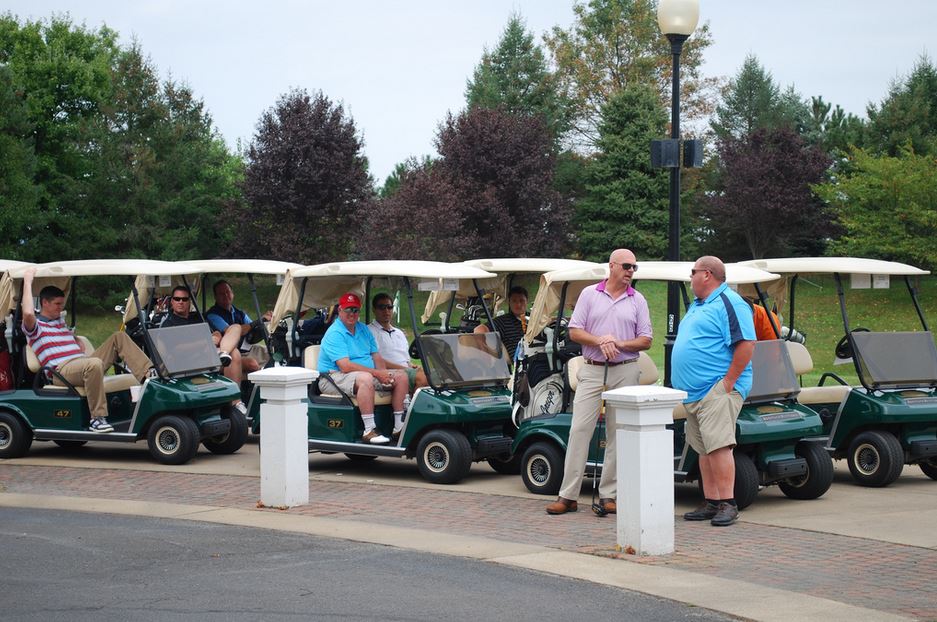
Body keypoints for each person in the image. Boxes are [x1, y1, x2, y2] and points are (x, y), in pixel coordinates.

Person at [546, 250, 653, 516]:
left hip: (626, 369)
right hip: (593, 370)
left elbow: (646, 339)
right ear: (612, 266)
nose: (630, 271)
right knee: (579, 430)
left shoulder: (637, 299)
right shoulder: (589, 294)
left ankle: (608, 495)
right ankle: (568, 495)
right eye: (627, 266)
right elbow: (575, 330)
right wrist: (601, 341)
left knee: (617, 434)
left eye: (634, 267)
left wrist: (619, 344)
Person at [672, 256, 756, 527]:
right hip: (695, 393)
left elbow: (746, 344)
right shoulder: (699, 305)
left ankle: (728, 503)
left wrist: (728, 383)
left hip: (717, 388)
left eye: (693, 272)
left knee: (719, 446)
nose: (691, 276)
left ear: (707, 275)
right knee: (705, 448)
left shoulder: (729, 302)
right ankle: (711, 501)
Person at [21, 267, 156, 433]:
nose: (60, 308)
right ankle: (97, 419)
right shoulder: (35, 327)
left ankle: (151, 378)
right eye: (57, 304)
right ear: (44, 303)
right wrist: (28, 281)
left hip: (82, 364)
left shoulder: (59, 322)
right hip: (61, 372)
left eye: (62, 304)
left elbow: (72, 341)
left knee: (118, 337)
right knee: (93, 363)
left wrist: (75, 339)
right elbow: (27, 313)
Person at [317, 293, 408, 444]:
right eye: (348, 310)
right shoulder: (335, 333)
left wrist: (384, 374)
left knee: (401, 376)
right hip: (333, 377)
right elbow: (345, 366)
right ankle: (369, 430)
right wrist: (377, 373)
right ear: (340, 310)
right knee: (365, 379)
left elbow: (376, 356)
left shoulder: (362, 329)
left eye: (355, 310)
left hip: (361, 375)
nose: (352, 314)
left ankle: (398, 427)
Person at [161, 285, 248, 414]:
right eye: (177, 299)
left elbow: (217, 333)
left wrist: (215, 339)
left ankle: (224, 353)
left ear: (189, 301)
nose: (180, 302)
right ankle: (235, 402)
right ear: (172, 301)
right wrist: (205, 343)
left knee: (235, 328)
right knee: (235, 354)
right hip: (187, 363)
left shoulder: (197, 317)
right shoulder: (169, 323)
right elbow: (176, 350)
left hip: (207, 356)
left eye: (184, 299)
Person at [206, 279, 270, 372]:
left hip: (246, 348)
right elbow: (236, 331)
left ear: (232, 293)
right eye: (221, 294)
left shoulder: (239, 313)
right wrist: (259, 320)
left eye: (227, 292)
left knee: (273, 354)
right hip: (231, 352)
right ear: (215, 297)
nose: (226, 295)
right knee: (252, 364)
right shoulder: (213, 315)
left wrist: (266, 321)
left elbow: (252, 328)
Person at [368, 293, 427, 392]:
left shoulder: (399, 333)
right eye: (381, 307)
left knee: (436, 375)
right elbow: (376, 360)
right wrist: (405, 369)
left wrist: (411, 365)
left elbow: (405, 358)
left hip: (404, 369)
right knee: (423, 378)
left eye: (389, 307)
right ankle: (411, 406)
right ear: (374, 310)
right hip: (387, 371)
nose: (386, 311)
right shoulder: (369, 331)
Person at [474, 285, 528, 361]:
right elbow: (479, 329)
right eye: (514, 301)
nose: (518, 304)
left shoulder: (532, 319)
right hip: (522, 361)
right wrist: (486, 356)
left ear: (527, 301)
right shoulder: (504, 321)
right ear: (509, 302)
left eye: (521, 301)